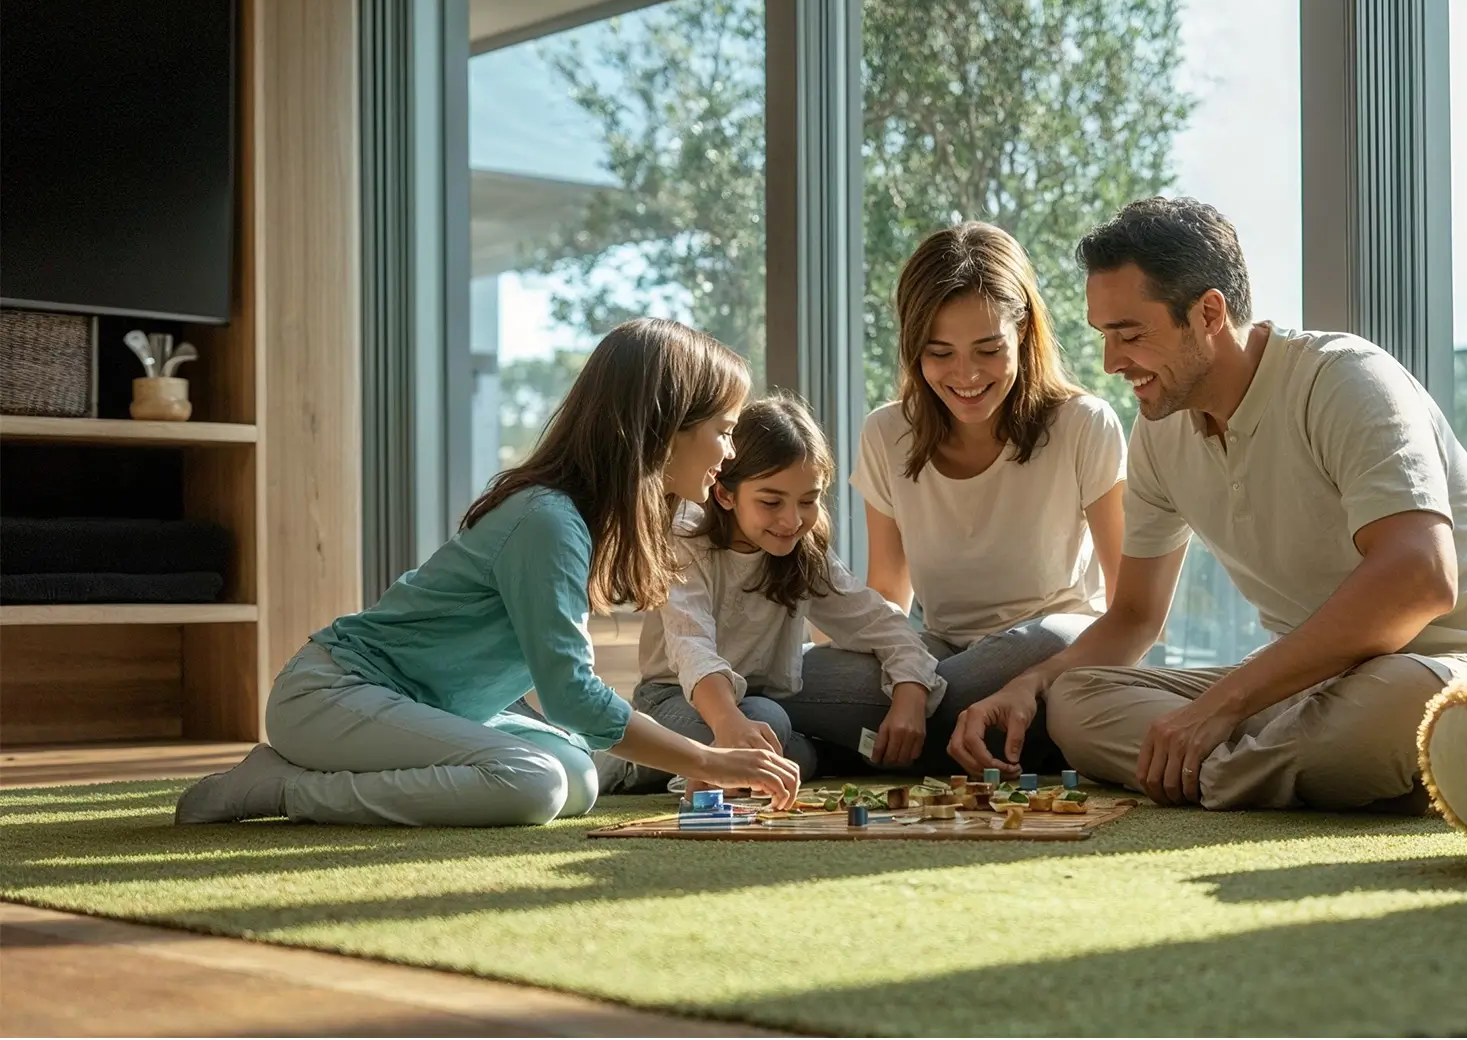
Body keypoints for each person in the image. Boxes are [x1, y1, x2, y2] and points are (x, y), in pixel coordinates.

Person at [948, 197, 1467, 811]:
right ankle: (1340, 775)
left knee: (1392, 697)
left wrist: (1222, 707)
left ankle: (1292, 769)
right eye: (1103, 335)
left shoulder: (1345, 379)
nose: (1111, 362)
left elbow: (1421, 576)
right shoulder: (1159, 433)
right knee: (1079, 700)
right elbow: (1134, 618)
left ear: (1208, 313)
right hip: (1315, 689)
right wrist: (1029, 686)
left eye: (1130, 334)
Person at [173, 319, 801, 827]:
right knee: (534, 783)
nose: (730, 451)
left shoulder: (588, 522)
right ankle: (281, 787)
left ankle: (317, 773)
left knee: (577, 779)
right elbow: (571, 695)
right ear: (665, 428)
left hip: (437, 708)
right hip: (332, 696)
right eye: (723, 431)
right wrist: (707, 760)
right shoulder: (548, 520)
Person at [781, 222, 1127, 773]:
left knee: (1038, 640)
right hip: (938, 652)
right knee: (788, 671)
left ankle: (864, 743)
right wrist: (906, 683)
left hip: (1047, 659)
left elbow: (1125, 609)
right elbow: (888, 596)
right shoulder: (886, 433)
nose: (966, 375)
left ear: (1023, 334)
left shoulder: (1084, 424)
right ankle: (942, 736)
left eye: (988, 350)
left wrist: (914, 693)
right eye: (939, 353)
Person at [595, 395, 943, 791]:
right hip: (673, 699)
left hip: (760, 700)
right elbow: (692, 647)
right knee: (770, 726)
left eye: (808, 500)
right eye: (771, 501)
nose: (791, 520)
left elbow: (880, 622)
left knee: (779, 725)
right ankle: (627, 760)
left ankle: (758, 756)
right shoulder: (686, 538)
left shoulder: (803, 550)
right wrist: (729, 723)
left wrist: (910, 695)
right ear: (725, 494)